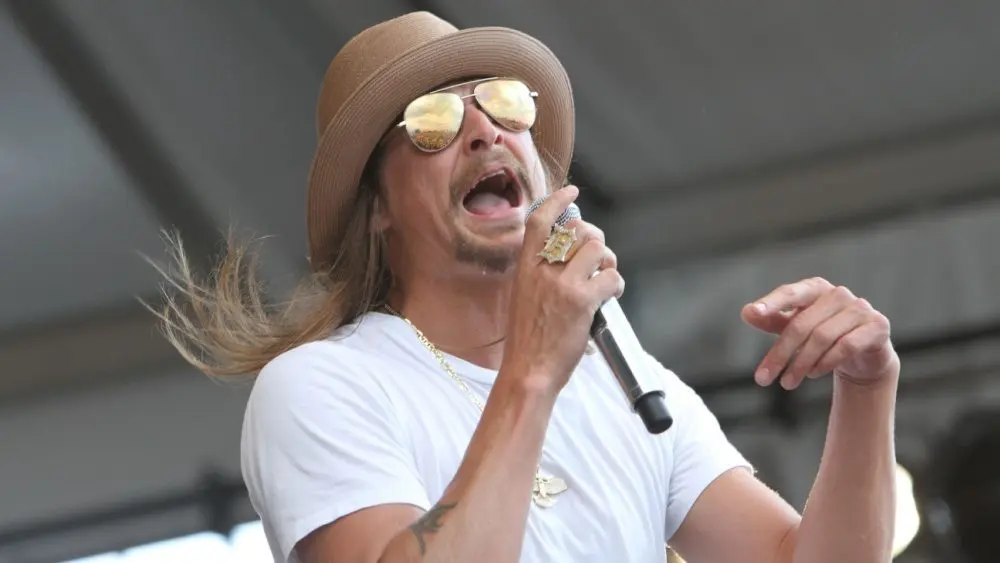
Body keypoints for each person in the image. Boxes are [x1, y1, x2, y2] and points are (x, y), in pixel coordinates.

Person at [152, 11, 901, 563]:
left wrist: (868, 389)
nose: (484, 131)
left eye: (505, 103)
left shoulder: (619, 372)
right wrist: (535, 369)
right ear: (376, 208)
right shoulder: (323, 384)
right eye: (433, 121)